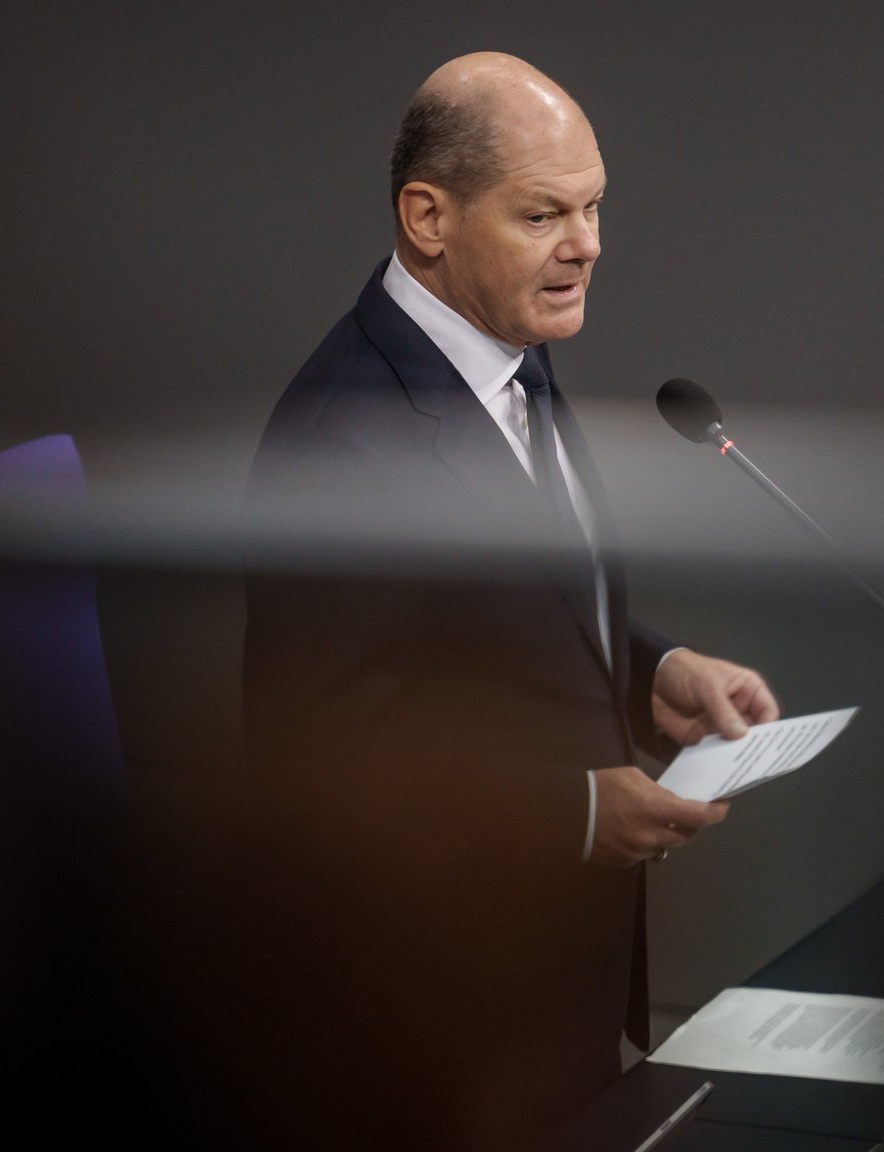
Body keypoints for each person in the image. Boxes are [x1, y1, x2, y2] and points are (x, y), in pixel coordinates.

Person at [242, 52, 779, 1147]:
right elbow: (310, 756)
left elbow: (501, 612)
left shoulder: (502, 356)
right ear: (427, 217)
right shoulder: (343, 439)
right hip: (432, 1012)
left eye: (591, 208)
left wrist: (655, 669)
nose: (586, 245)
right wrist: (574, 811)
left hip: (551, 987)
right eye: (543, 213)